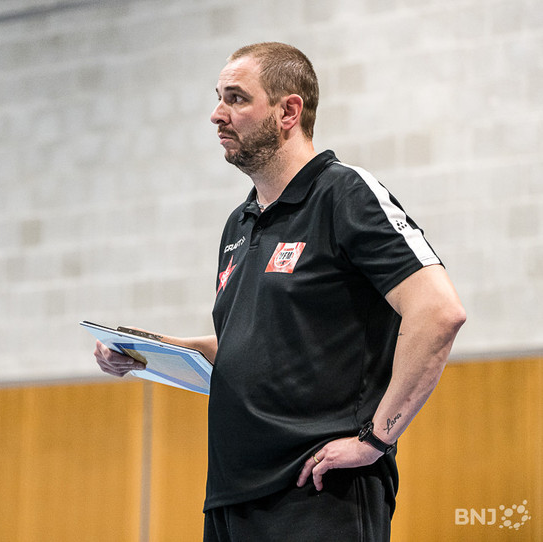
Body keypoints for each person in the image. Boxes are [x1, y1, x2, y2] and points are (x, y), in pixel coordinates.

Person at [94, 42, 466, 541]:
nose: (216, 115)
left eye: (236, 99)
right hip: (232, 498)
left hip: (317, 491)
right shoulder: (239, 223)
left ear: (289, 110)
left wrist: (376, 438)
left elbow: (439, 313)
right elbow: (250, 349)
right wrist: (145, 352)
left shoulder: (344, 194)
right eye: (217, 98)